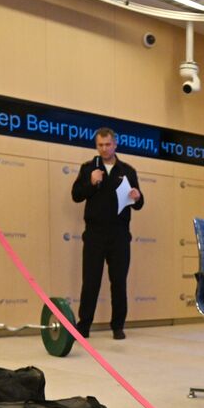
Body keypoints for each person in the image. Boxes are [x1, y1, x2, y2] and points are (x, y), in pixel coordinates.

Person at [72, 127, 144, 339]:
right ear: (97, 146)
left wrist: (137, 196)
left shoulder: (128, 170)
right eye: (100, 145)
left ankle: (118, 326)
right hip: (94, 234)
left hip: (120, 235)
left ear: (115, 145)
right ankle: (84, 325)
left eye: (108, 144)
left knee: (119, 281)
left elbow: (138, 204)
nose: (104, 149)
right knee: (91, 281)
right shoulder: (88, 168)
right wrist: (91, 183)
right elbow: (76, 195)